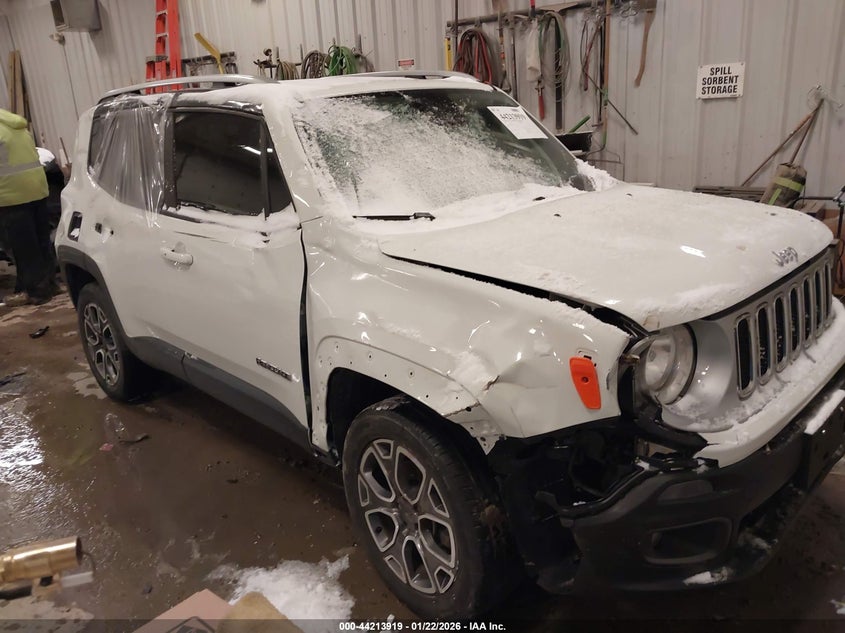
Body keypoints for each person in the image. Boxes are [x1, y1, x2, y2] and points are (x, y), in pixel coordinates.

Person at [0, 108, 52, 306]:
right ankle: (49, 284)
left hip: (12, 195)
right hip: (36, 189)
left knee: (23, 248)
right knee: (40, 241)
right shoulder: (16, 125)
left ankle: (36, 292)